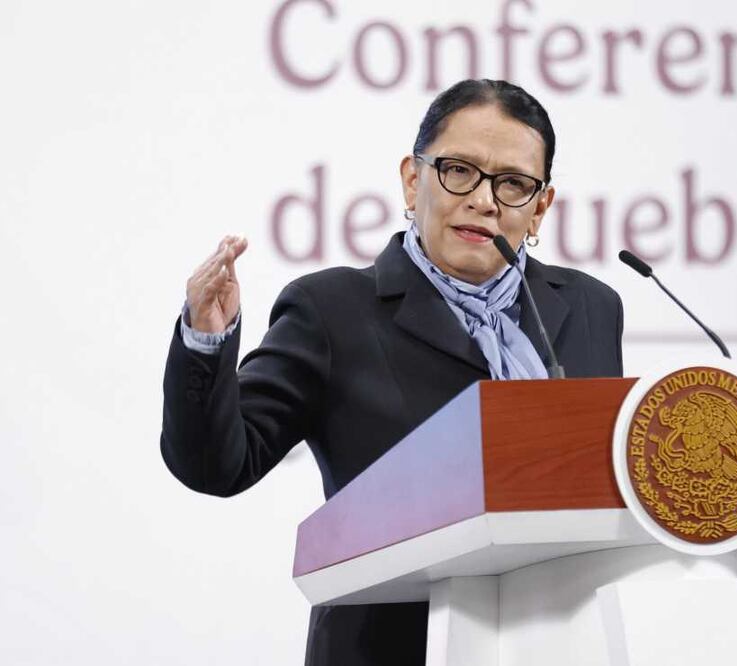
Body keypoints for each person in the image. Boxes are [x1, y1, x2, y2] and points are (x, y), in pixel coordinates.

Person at [160, 79, 624, 665]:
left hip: (563, 642)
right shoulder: (332, 310)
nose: (484, 200)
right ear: (413, 178)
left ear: (540, 207)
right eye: (459, 170)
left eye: (512, 184)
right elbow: (219, 465)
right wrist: (207, 339)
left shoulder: (589, 308)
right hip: (388, 648)